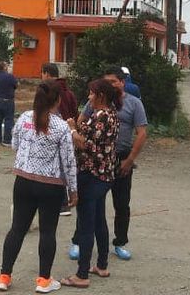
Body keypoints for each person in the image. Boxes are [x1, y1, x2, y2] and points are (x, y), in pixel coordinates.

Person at [0, 81, 78, 294]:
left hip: (23, 181)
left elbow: (14, 144)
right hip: (50, 185)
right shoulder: (61, 127)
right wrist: (73, 189)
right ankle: (43, 280)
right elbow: (68, 161)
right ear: (58, 101)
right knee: (47, 231)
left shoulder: (24, 118)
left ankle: (4, 276)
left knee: (17, 229)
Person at [70, 66, 148, 262]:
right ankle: (78, 241)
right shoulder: (98, 101)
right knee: (90, 202)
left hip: (121, 158)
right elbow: (81, 120)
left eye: (114, 81)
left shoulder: (134, 103)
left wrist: (130, 160)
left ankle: (120, 242)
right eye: (107, 82)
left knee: (121, 203)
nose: (111, 85)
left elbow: (142, 133)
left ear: (122, 82)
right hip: (98, 160)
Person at [61, 79, 121, 289]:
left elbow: (84, 144)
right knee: (99, 220)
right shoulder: (112, 113)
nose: (89, 97)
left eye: (91, 93)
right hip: (105, 175)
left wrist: (71, 129)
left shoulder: (101, 116)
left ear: (100, 96)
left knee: (86, 225)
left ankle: (82, 274)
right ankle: (102, 265)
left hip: (92, 175)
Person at [41, 62, 80, 217]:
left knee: (55, 168)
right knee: (65, 165)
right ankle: (63, 203)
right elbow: (75, 112)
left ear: (47, 73)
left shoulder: (49, 91)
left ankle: (62, 203)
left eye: (42, 73)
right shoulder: (69, 93)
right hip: (69, 131)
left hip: (55, 133)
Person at [0, 61, 18, 147]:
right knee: (8, 120)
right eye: (7, 65)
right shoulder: (10, 76)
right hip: (8, 101)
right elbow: (16, 85)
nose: (8, 66)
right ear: (4, 67)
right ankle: (7, 141)